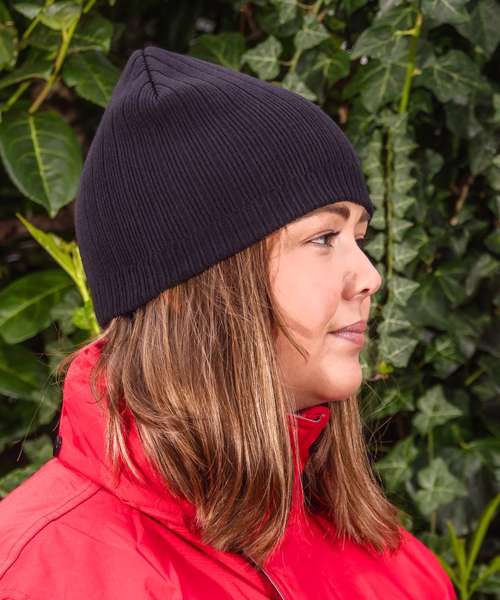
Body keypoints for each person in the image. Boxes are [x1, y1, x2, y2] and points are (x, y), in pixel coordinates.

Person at [0, 46, 457, 600]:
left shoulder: (398, 568)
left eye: (358, 238)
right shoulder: (40, 574)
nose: (370, 277)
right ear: (185, 289)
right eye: (322, 238)